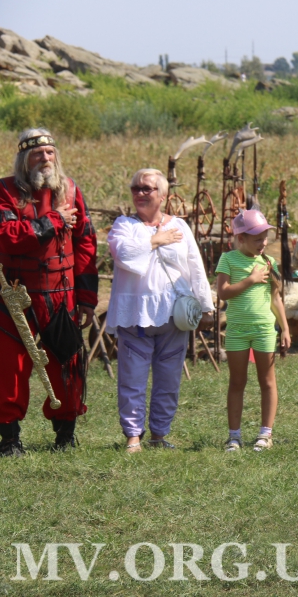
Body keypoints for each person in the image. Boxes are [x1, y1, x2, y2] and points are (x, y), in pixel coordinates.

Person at [0, 128, 98, 456]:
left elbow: (85, 243)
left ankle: (65, 435)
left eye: (50, 152)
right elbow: (7, 236)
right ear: (23, 158)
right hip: (15, 295)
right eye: (37, 153)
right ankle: (9, 439)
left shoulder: (71, 190)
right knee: (10, 365)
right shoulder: (5, 190)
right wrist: (53, 220)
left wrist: (87, 298)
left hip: (61, 293)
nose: (45, 157)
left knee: (67, 361)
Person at [107, 169, 215, 453]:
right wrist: (156, 240)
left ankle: (159, 434)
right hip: (135, 316)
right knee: (132, 378)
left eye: (147, 188)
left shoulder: (180, 226)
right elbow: (123, 254)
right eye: (135, 188)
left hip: (173, 316)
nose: (140, 193)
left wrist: (206, 306)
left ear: (163, 195)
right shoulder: (123, 225)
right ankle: (133, 436)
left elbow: (195, 266)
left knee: (168, 379)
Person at [216, 209, 291, 452]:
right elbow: (223, 293)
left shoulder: (269, 263)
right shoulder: (228, 260)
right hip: (236, 331)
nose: (263, 243)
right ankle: (234, 436)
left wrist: (285, 329)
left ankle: (265, 434)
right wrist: (250, 279)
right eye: (257, 239)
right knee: (237, 382)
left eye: (265, 237)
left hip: (264, 331)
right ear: (241, 238)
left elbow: (276, 298)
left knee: (267, 381)